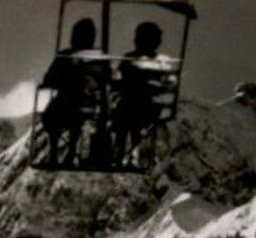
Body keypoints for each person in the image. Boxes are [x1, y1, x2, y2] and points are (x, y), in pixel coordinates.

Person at [39, 18, 105, 166]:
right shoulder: (100, 57)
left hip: (69, 103)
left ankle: (55, 153)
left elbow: (49, 78)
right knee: (67, 117)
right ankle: (69, 152)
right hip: (89, 105)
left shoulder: (66, 56)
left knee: (53, 117)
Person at [114, 21, 176, 166]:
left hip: (145, 106)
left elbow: (170, 82)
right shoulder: (133, 58)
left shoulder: (156, 61)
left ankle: (123, 153)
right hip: (140, 105)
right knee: (125, 115)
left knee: (125, 117)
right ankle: (126, 153)